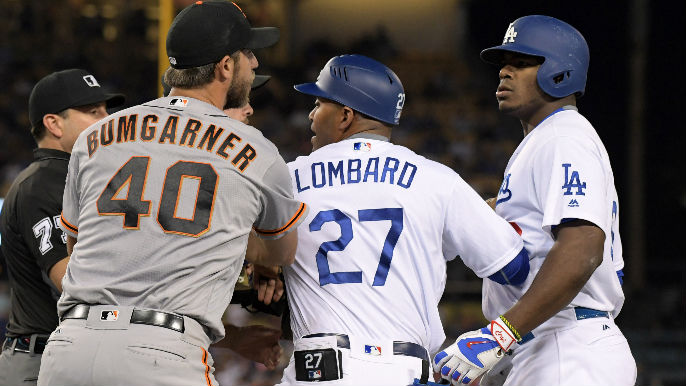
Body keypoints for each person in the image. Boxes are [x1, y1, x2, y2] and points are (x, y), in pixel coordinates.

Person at [36, 2, 307, 386]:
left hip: (70, 349)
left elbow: (75, 248)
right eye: (248, 53)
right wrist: (256, 258)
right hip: (163, 352)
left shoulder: (96, 136)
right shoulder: (257, 151)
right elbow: (282, 253)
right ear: (225, 67)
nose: (256, 63)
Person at [278, 54, 530, 386]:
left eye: (318, 103)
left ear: (345, 115)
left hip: (318, 370)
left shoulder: (286, 178)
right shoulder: (436, 180)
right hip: (402, 371)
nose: (311, 115)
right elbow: (513, 267)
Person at [433, 15, 637, 386]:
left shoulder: (564, 137)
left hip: (567, 342)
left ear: (561, 73)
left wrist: (500, 333)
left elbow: (583, 249)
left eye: (522, 63)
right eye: (502, 64)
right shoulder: (547, 140)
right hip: (551, 341)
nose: (504, 72)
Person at [0, 69, 124, 385]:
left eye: (106, 110)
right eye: (92, 112)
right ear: (54, 124)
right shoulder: (40, 184)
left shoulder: (86, 177)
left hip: (77, 354)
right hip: (38, 362)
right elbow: (73, 280)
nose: (106, 120)